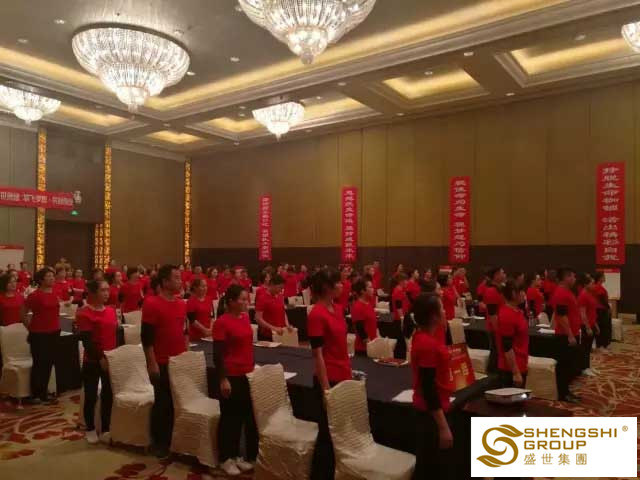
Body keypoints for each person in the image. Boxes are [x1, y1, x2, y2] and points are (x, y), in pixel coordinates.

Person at [308, 269, 351, 480]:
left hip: (343, 374)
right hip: (329, 378)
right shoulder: (316, 314)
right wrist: (326, 391)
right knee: (327, 434)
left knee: (340, 433)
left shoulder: (338, 308)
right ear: (327, 287)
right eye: (338, 282)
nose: (342, 286)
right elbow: (318, 355)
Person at [141, 264, 188, 458]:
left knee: (175, 401)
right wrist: (151, 362)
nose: (180, 281)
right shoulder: (152, 303)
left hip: (178, 359)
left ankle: (172, 439)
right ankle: (159, 442)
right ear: (165, 282)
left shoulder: (181, 303)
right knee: (162, 402)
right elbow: (147, 337)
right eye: (176, 278)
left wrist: (186, 355)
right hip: (160, 360)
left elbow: (184, 331)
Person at [212, 284, 257, 476]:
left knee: (244, 416)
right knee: (230, 418)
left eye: (247, 299)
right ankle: (225, 458)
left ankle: (238, 455)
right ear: (231, 302)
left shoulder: (245, 318)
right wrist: (223, 379)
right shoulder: (222, 322)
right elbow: (218, 354)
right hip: (231, 375)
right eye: (242, 299)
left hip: (248, 374)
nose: (247, 302)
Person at [411, 293, 454, 480]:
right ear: (434, 316)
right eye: (442, 308)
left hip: (436, 409)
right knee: (431, 468)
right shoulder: (427, 344)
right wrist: (443, 427)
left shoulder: (425, 337)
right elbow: (429, 389)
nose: (445, 311)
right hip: (430, 416)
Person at [76, 279, 117, 444]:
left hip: (111, 358)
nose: (107, 293)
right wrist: (100, 358)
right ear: (93, 293)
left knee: (108, 394)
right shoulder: (84, 313)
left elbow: (115, 335)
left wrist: (114, 355)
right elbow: (87, 342)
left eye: (108, 290)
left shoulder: (111, 310)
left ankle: (106, 428)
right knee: (91, 395)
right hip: (93, 360)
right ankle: (90, 428)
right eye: (103, 290)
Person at [24, 267, 60, 404]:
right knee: (39, 363)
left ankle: (44, 392)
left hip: (54, 331)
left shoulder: (54, 293)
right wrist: (30, 327)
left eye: (52, 276)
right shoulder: (35, 295)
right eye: (48, 276)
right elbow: (23, 312)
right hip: (39, 333)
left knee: (48, 363)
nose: (52, 278)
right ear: (41, 280)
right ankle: (35, 394)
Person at [550, 266, 581, 402]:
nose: (574, 279)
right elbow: (562, 316)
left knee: (569, 365)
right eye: (573, 276)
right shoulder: (561, 293)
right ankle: (563, 394)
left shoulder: (567, 292)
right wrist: (570, 335)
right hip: (564, 335)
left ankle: (566, 391)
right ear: (566, 277)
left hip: (570, 333)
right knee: (564, 366)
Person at [496, 280, 529, 388]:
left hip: (521, 362)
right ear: (514, 294)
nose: (524, 294)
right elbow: (507, 347)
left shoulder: (517, 310)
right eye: (522, 291)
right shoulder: (507, 315)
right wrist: (515, 372)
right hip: (510, 368)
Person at [255, 274, 291, 340]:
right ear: (272, 285)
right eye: (280, 287)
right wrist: (273, 328)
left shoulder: (280, 296)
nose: (281, 290)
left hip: (281, 332)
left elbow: (283, 312)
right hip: (268, 335)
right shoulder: (262, 298)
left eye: (282, 288)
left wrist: (287, 324)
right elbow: (258, 319)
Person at [483, 267, 506, 373]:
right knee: (495, 354)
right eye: (502, 273)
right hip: (495, 328)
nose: (504, 275)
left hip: (500, 325)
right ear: (496, 275)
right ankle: (492, 375)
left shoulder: (499, 289)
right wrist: (498, 331)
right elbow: (492, 314)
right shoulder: (491, 291)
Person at [577, 274, 599, 376]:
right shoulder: (583, 295)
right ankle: (583, 368)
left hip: (591, 324)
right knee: (585, 348)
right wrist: (587, 327)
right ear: (586, 284)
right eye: (592, 283)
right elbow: (583, 313)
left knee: (589, 347)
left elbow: (592, 312)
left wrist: (596, 325)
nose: (594, 285)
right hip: (586, 325)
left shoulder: (590, 294)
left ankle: (588, 366)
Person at [351, 279, 378, 355]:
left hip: (372, 345)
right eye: (370, 287)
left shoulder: (369, 304)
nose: (373, 289)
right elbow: (360, 329)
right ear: (363, 291)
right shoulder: (357, 306)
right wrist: (370, 345)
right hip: (363, 349)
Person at [391, 273, 410, 359]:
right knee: (400, 342)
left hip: (401, 318)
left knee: (401, 342)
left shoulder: (401, 290)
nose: (407, 282)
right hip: (399, 320)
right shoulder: (398, 290)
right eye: (406, 280)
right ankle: (399, 359)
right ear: (401, 281)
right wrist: (402, 320)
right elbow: (398, 307)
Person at [592, 271, 611, 352]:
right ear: (600, 278)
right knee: (603, 328)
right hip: (601, 310)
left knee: (601, 327)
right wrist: (608, 307)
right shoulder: (598, 287)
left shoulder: (596, 287)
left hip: (599, 309)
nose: (605, 277)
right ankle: (601, 346)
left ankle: (601, 345)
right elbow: (602, 300)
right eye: (603, 276)